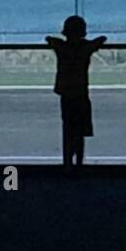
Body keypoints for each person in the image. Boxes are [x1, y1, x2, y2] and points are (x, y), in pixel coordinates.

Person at [46, 15, 106, 170]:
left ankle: (67, 162)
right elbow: (101, 39)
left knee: (68, 129)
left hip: (66, 93)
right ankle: (79, 162)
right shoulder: (85, 49)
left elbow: (49, 39)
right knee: (80, 131)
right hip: (80, 92)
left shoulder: (61, 47)